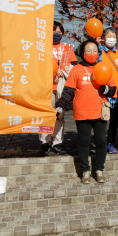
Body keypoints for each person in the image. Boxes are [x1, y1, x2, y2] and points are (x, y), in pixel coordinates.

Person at [56, 39, 116, 184]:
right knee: (84, 142)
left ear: (98, 52)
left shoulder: (104, 67)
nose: (92, 53)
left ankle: (99, 170)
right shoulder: (76, 69)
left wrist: (106, 89)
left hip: (100, 111)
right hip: (82, 112)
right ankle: (85, 171)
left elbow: (112, 89)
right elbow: (68, 91)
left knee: (101, 141)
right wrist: (61, 105)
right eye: (88, 51)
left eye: (94, 51)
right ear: (83, 53)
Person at [39, 21, 77, 156]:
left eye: (59, 32)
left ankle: (57, 142)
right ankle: (45, 142)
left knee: (59, 115)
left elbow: (73, 67)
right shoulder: (42, 48)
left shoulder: (67, 48)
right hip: (46, 86)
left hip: (61, 87)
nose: (57, 34)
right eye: (54, 32)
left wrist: (63, 72)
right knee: (45, 115)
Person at [99, 27, 118, 154]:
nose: (112, 39)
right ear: (103, 38)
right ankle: (100, 142)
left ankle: (110, 142)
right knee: (102, 120)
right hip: (103, 93)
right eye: (109, 36)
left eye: (114, 37)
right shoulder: (99, 52)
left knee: (114, 121)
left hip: (117, 94)